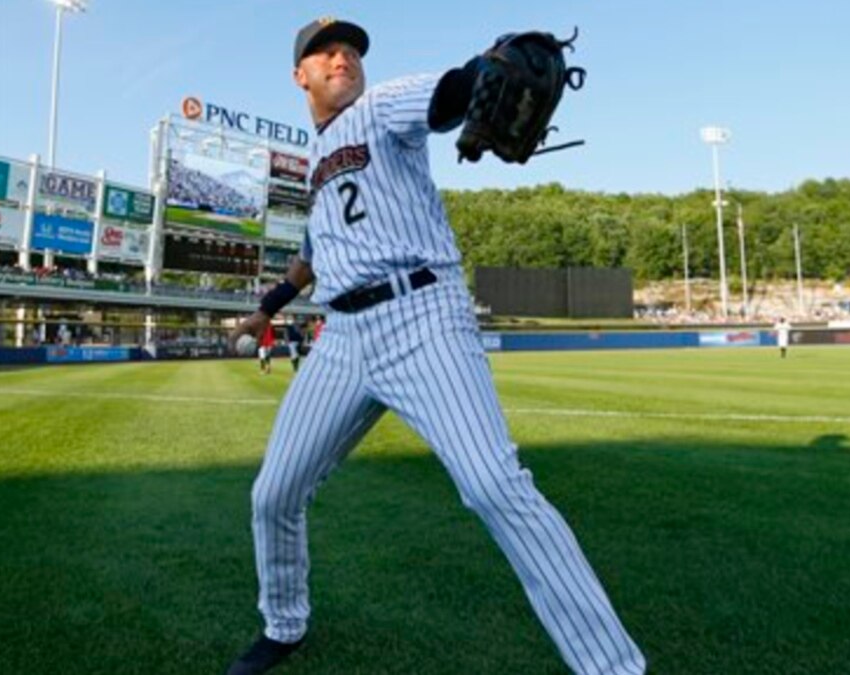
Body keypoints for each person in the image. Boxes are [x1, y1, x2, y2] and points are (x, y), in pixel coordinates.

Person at [224, 18, 645, 675]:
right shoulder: (312, 162)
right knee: (273, 493)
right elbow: (312, 251)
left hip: (422, 314)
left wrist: (483, 73)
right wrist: (264, 311)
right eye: (324, 51)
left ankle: (614, 667)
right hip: (343, 335)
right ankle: (283, 624)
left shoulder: (381, 105)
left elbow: (449, 94)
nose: (343, 58)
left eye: (351, 50)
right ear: (299, 74)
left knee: (493, 485)